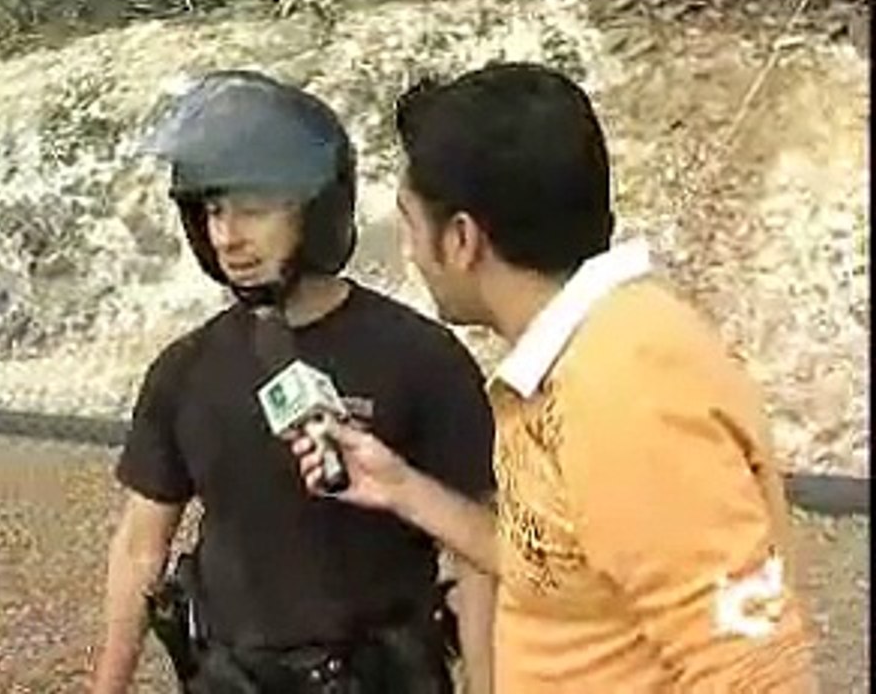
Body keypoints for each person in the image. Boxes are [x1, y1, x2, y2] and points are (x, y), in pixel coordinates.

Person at [290, 62, 819, 692]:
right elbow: (555, 567)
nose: (408, 249)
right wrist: (401, 487)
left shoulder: (627, 391)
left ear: (461, 239)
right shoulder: (582, 356)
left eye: (409, 221)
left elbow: (757, 674)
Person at [90, 70, 496, 694]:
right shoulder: (185, 370)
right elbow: (140, 548)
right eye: (213, 211)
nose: (227, 236)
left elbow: (480, 555)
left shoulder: (421, 358)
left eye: (253, 209)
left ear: (316, 209)